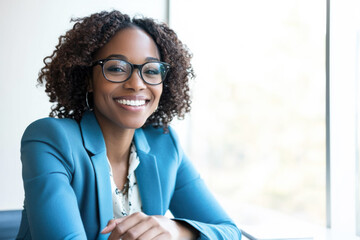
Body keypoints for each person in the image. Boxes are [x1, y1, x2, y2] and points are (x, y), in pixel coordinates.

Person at [16, 10, 242, 240]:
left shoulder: (164, 144)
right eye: (116, 68)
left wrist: (176, 230)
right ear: (88, 79)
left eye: (152, 71)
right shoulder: (50, 139)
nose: (136, 84)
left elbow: (230, 232)